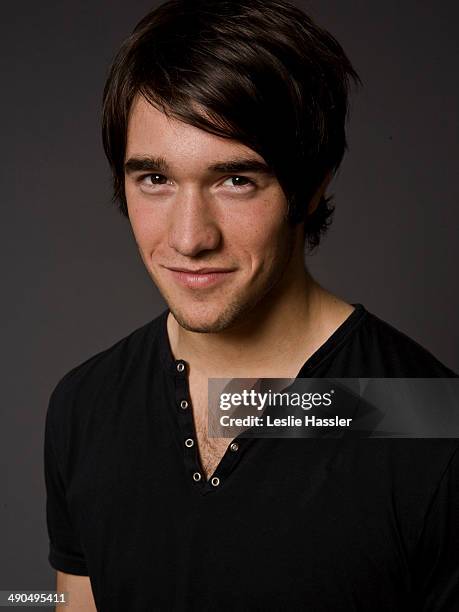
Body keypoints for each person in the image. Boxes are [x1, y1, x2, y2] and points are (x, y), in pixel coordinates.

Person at [44, 0, 459, 610]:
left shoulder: (429, 425)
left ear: (313, 185)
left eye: (236, 180)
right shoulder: (83, 407)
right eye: (154, 180)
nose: (189, 238)